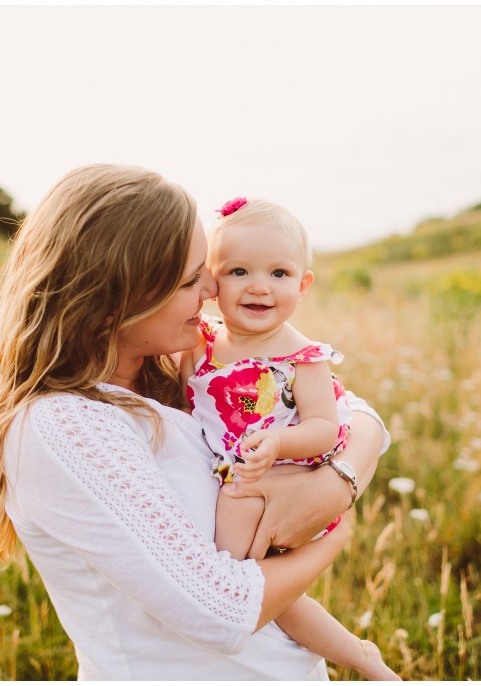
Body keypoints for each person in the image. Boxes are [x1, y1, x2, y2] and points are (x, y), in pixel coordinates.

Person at [0, 164, 392, 680]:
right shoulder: (65, 427)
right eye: (192, 278)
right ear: (114, 302)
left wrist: (336, 482)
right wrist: (335, 535)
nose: (213, 288)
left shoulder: (174, 362)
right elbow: (221, 613)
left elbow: (357, 413)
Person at [182, 196, 399, 681]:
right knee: (281, 599)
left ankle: (229, 596)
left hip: (284, 480)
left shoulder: (303, 358)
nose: (260, 286)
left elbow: (324, 427)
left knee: (245, 579)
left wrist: (279, 443)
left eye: (279, 273)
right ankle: (361, 656)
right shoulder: (200, 343)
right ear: (211, 282)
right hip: (240, 471)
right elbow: (187, 406)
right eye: (239, 271)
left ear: (303, 285)